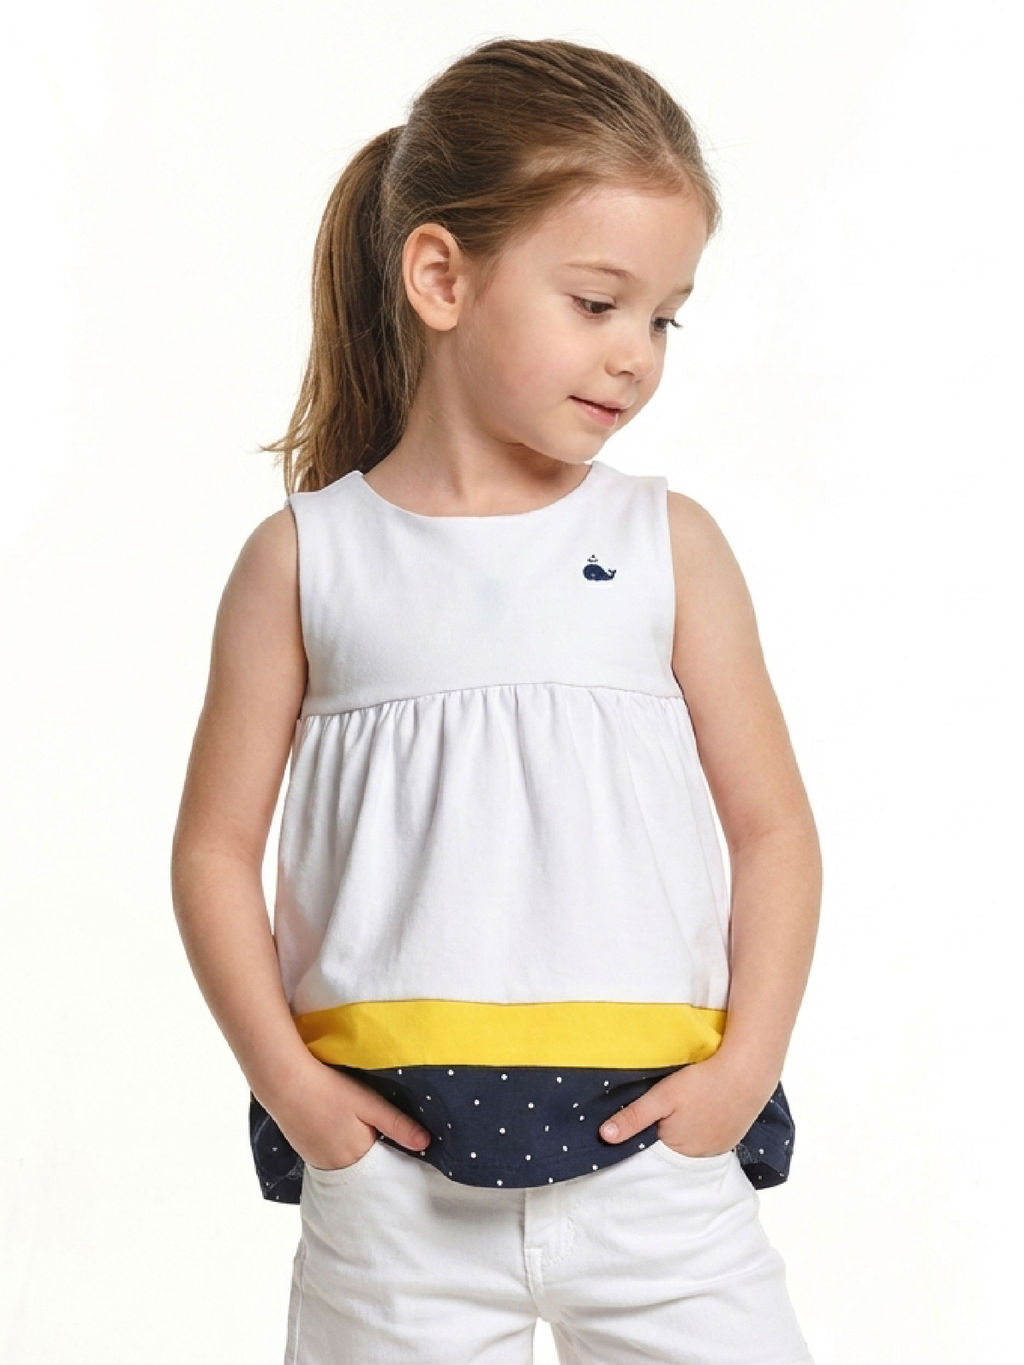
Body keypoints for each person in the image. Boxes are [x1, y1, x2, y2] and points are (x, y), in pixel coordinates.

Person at [171, 34, 821, 1365]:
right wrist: (296, 1096)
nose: (636, 355)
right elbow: (213, 850)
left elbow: (775, 831)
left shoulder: (668, 545)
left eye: (663, 317)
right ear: (440, 277)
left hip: (661, 1169)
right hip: (392, 1193)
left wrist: (742, 1072)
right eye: (597, 303)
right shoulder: (307, 559)